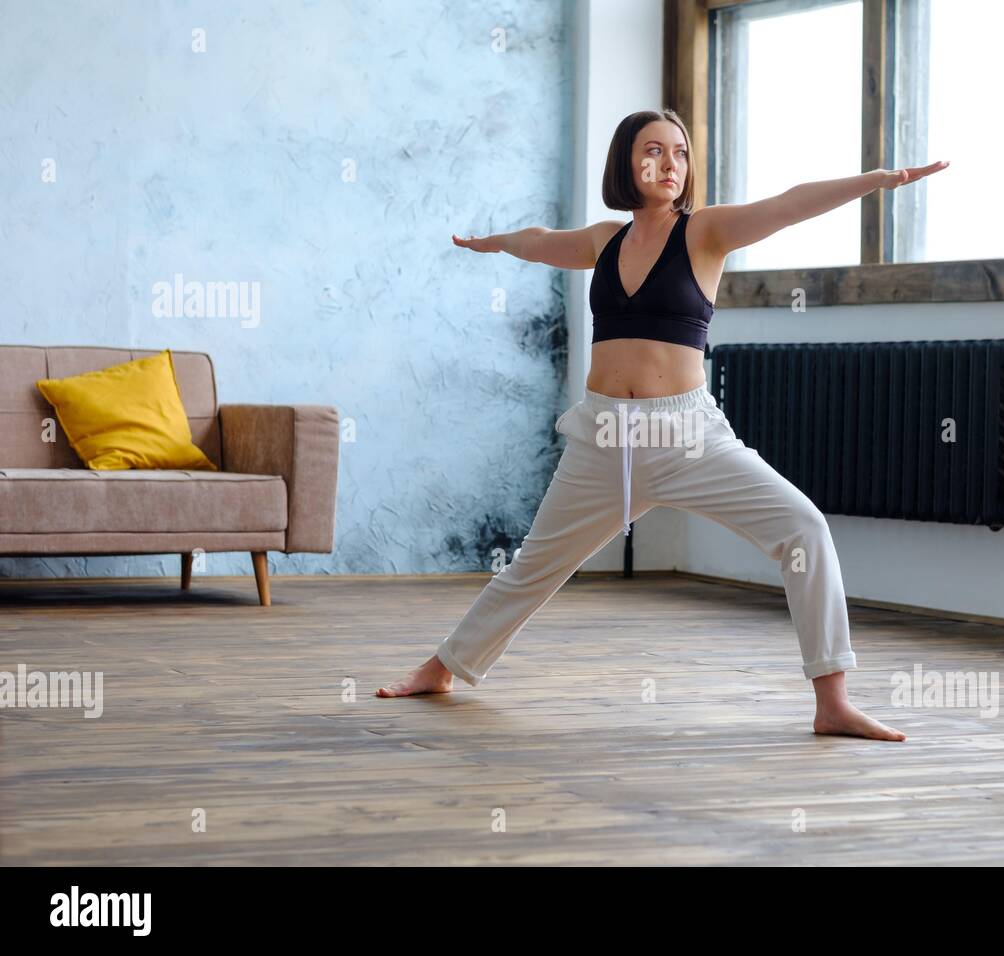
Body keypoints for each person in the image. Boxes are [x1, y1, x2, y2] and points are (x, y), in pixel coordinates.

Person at [378, 108, 947, 740]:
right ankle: (442, 668)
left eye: (680, 152)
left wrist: (878, 179)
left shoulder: (706, 232)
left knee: (803, 529)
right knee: (534, 566)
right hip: (603, 436)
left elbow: (789, 204)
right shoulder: (605, 241)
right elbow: (540, 241)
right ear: (627, 162)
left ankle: (832, 700)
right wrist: (494, 243)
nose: (671, 163)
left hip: (687, 436)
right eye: (654, 150)